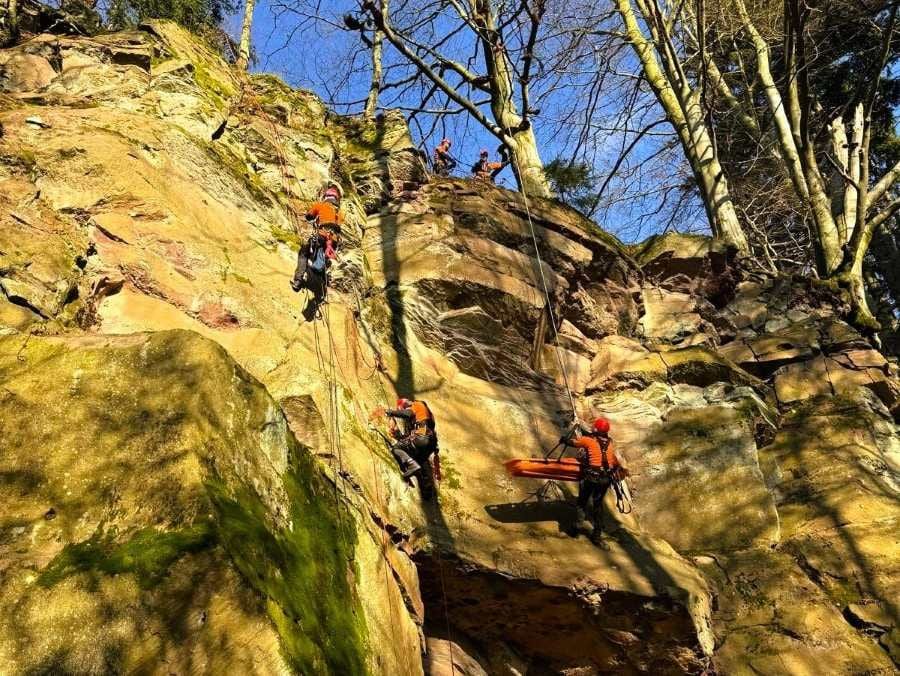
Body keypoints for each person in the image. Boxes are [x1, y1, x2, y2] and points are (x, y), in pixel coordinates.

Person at [561, 417, 626, 544]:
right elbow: (612, 460)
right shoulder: (610, 443)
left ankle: (576, 529)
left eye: (594, 426)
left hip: (591, 478)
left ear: (596, 429)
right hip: (605, 479)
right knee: (598, 505)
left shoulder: (588, 440)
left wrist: (564, 440)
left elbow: (573, 443)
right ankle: (597, 535)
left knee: (582, 502)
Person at [290, 183, 344, 320]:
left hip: (321, 236)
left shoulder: (320, 205)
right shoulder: (340, 213)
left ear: (326, 197)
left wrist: (311, 216)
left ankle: (298, 280)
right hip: (332, 243)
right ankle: (316, 282)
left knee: (303, 253)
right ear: (336, 200)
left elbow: (309, 216)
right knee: (322, 261)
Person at [385, 398, 440, 488]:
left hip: (423, 436)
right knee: (416, 460)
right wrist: (399, 435)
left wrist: (391, 413)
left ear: (405, 405)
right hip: (431, 444)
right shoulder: (425, 415)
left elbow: (408, 413)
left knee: (396, 448)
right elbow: (411, 437)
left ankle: (412, 466)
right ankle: (424, 482)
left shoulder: (416, 404)